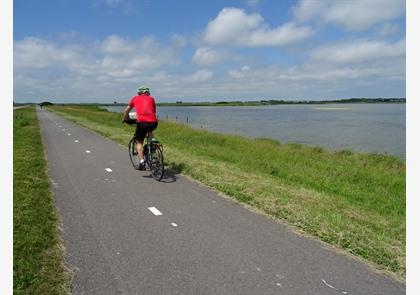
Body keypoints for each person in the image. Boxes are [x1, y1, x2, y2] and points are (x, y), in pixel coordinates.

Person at [122, 86, 158, 169]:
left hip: (141, 123)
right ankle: (152, 145)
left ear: (139, 93)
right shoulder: (152, 99)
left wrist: (125, 118)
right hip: (154, 123)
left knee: (139, 141)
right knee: (149, 131)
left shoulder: (135, 98)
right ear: (147, 93)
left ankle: (142, 161)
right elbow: (154, 111)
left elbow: (126, 110)